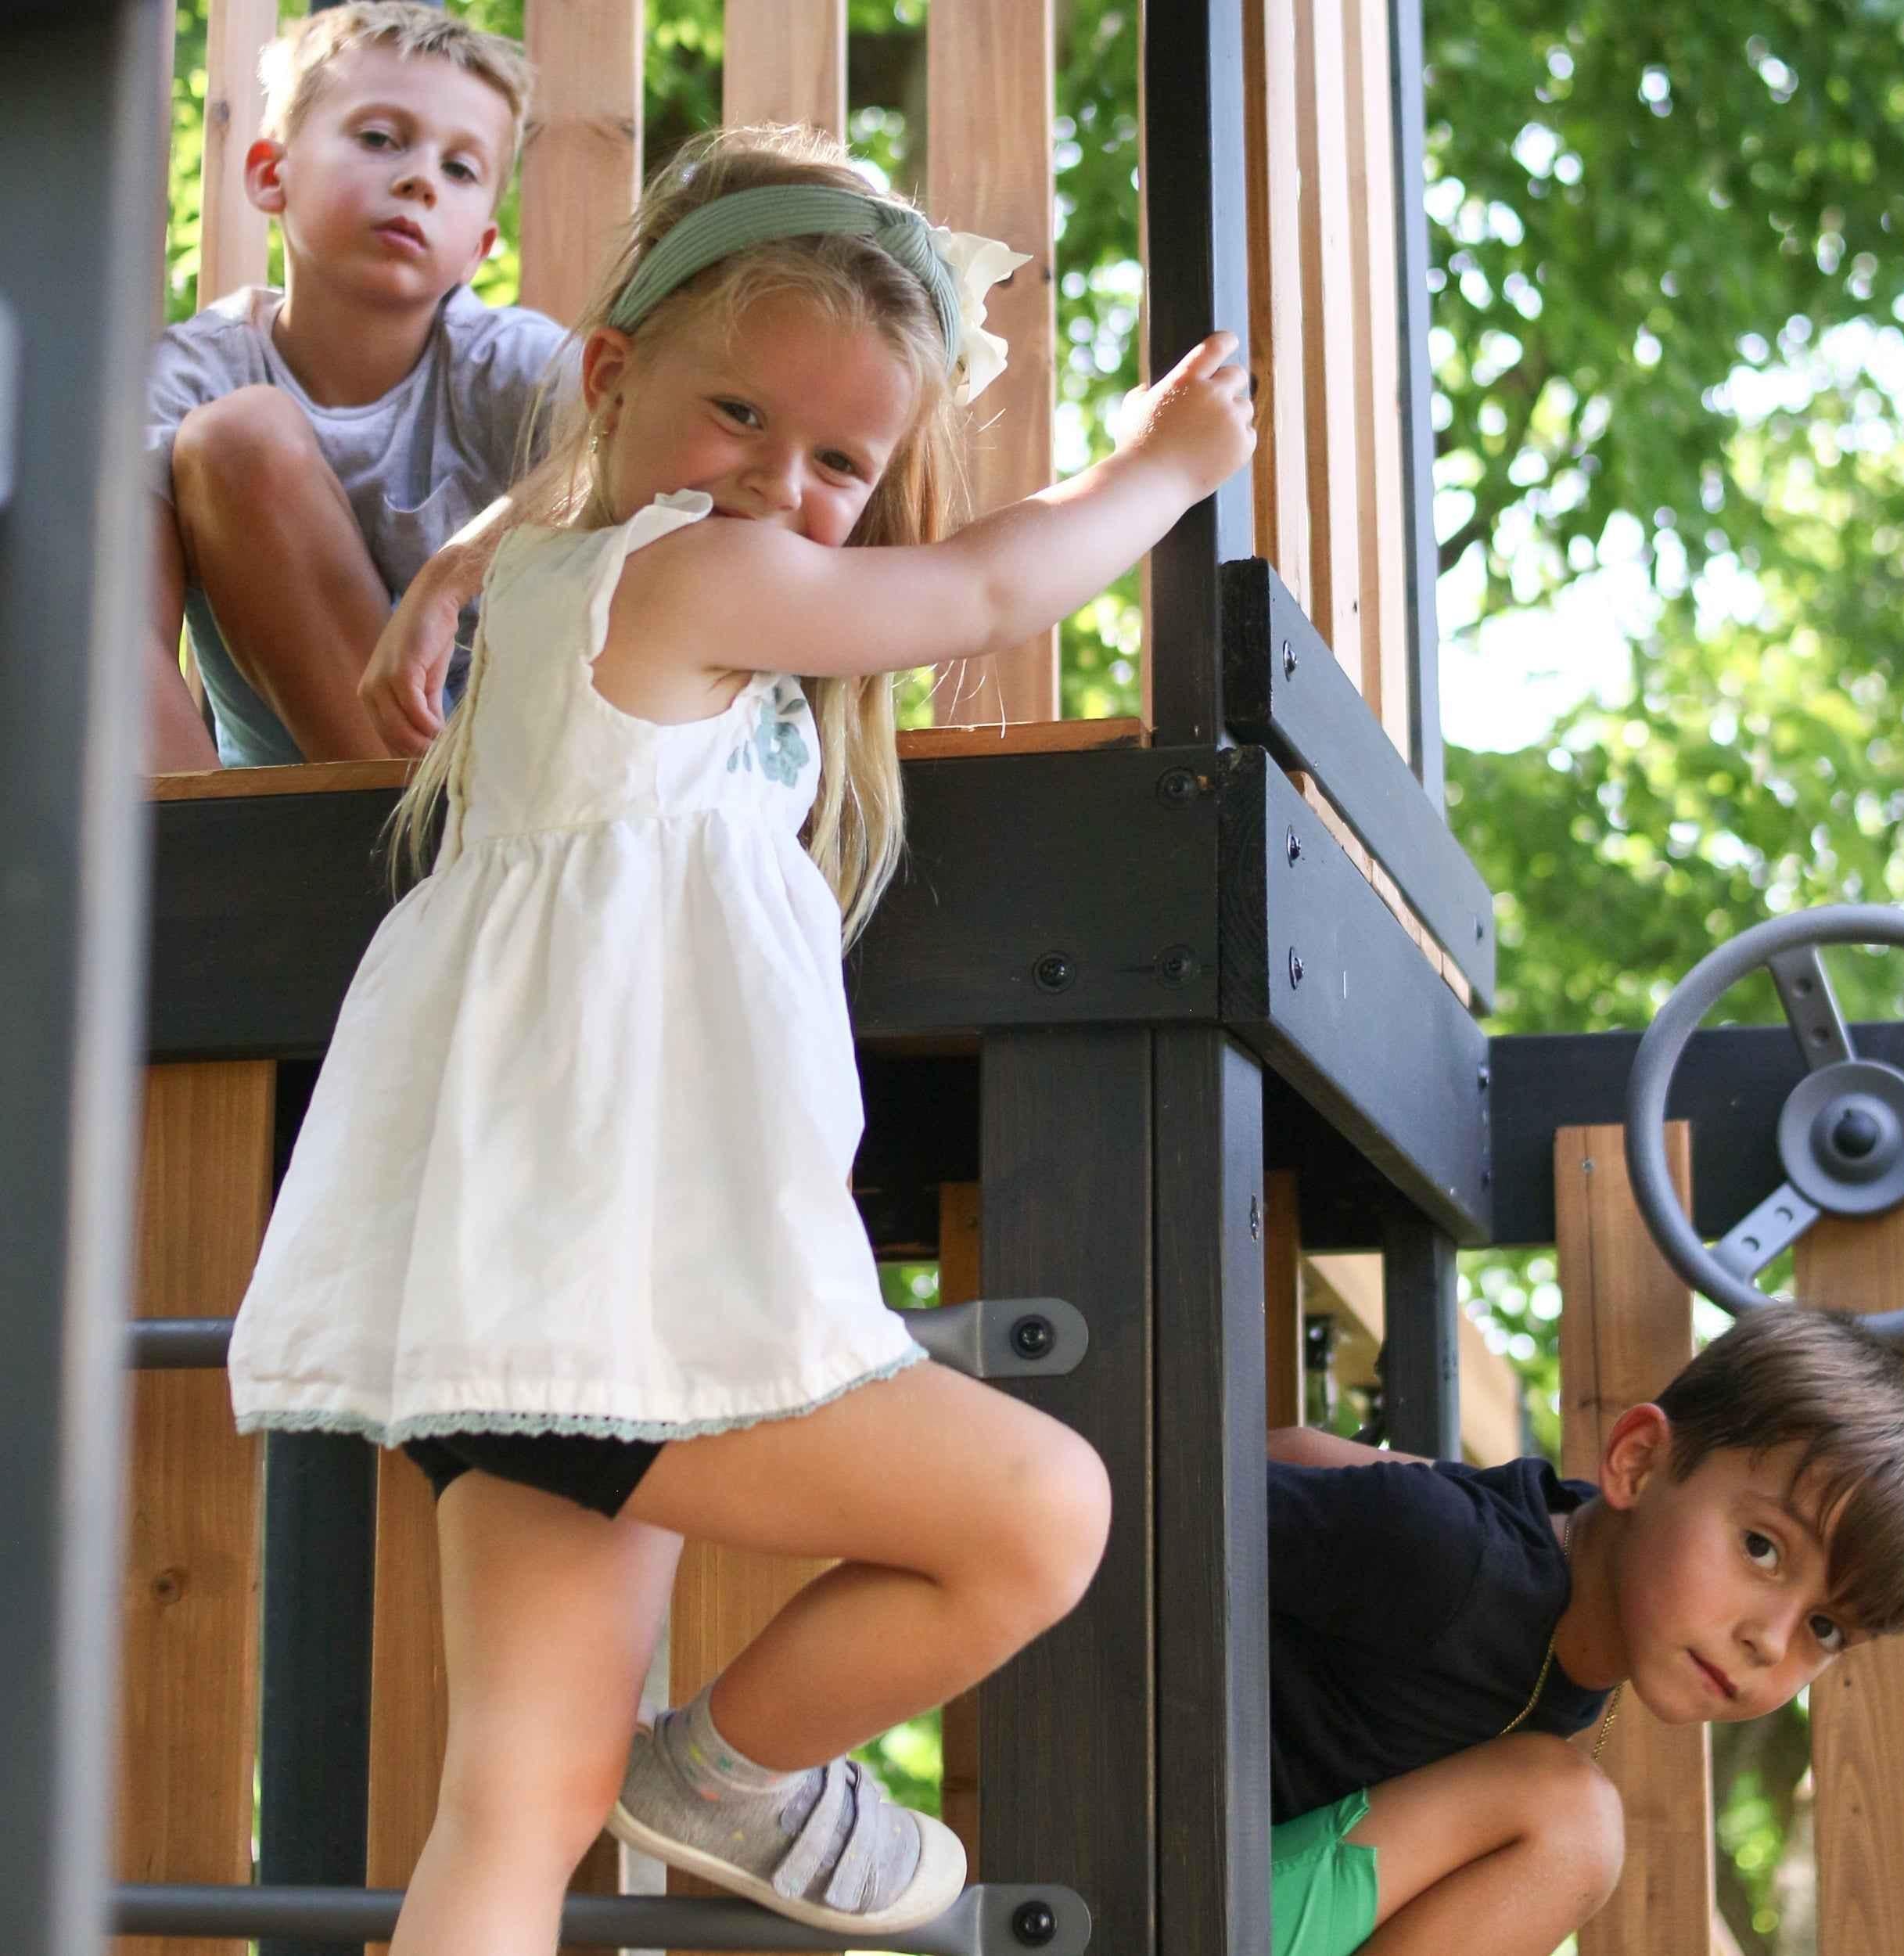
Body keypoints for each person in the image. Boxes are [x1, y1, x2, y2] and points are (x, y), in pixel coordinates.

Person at [225, 124, 1255, 1952]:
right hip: (607, 1295)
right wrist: (1156, 476)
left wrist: (471, 540)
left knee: (515, 1815)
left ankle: (705, 1780)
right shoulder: (691, 581)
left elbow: (590, 491)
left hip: (520, 1299)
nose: (781, 485)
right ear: (615, 383)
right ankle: (728, 1774)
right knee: (1040, 1512)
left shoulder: (583, 567)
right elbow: (981, 596)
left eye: (841, 460)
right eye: (740, 423)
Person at [1263, 1304, 1904, 1956]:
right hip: (1177, 1866)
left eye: (1826, 1627)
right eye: (1762, 1548)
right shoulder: (1454, 1557)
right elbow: (1182, 1505)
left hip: (1233, 1879)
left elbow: (1298, 1453)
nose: (1770, 1641)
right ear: (1639, 1462)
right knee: (1575, 1823)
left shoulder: (1554, 1580)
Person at [143, 2, 561, 771]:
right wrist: (188, 851)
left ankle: (420, 850)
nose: (418, 179)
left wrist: (451, 573)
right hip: (279, 811)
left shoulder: (513, 365)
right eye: (379, 138)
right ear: (273, 175)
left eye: (459, 167)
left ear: (478, 249)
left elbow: (637, 455)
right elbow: (117, 642)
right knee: (238, 437)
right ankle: (376, 843)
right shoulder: (193, 372)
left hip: (500, 786)